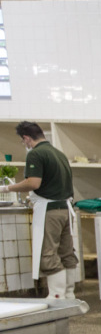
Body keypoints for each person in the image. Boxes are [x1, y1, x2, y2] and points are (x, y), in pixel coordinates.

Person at [0, 121, 78, 300]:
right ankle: (69, 294)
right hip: (66, 209)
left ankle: (57, 295)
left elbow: (33, 183)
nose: (24, 144)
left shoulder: (36, 154)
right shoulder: (58, 153)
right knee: (66, 252)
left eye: (23, 141)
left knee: (49, 252)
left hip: (49, 211)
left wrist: (6, 189)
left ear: (26, 138)